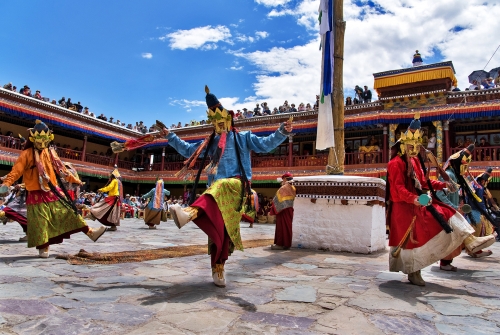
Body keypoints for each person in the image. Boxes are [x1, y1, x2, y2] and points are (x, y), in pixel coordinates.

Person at [166, 85, 293, 287]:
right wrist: (170, 136)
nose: (218, 125)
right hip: (215, 193)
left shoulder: (243, 137)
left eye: (221, 121)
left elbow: (266, 144)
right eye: (214, 122)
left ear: (229, 119)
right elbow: (188, 150)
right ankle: (218, 268)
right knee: (219, 231)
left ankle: (188, 214)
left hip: (236, 186)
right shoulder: (210, 143)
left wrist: (281, 132)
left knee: (223, 184)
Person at [387, 114, 494, 286]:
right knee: (413, 241)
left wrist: (443, 185)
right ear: (403, 145)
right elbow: (397, 189)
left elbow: (424, 182)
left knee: (448, 211)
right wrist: (413, 198)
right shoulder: (395, 163)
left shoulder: (415, 162)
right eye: (411, 145)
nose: (414, 149)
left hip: (419, 203)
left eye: (417, 145)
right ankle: (413, 272)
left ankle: (471, 240)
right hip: (404, 208)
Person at [0, 120, 106, 258]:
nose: (41, 143)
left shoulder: (51, 153)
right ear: (33, 139)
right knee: (41, 221)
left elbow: (62, 170)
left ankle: (90, 232)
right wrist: (7, 184)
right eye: (39, 140)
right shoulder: (26, 154)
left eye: (45, 140)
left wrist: (75, 180)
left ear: (49, 139)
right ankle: (43, 248)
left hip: (53, 191)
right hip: (35, 193)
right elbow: (16, 171)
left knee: (69, 212)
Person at [467, 168, 498, 258]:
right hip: (477, 212)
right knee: (480, 232)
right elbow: (480, 202)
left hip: (471, 211)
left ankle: (473, 250)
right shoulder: (479, 187)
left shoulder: (474, 185)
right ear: (483, 180)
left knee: (474, 232)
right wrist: (485, 212)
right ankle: (476, 250)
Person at [270, 172, 296, 250]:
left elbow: (276, 200)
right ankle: (287, 244)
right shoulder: (293, 187)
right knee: (288, 226)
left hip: (282, 210)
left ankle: (280, 244)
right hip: (290, 209)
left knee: (281, 227)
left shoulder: (284, 187)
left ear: (284, 179)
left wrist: (272, 210)